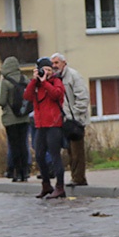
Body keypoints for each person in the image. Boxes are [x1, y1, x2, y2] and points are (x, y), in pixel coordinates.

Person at [24, 57, 66, 199]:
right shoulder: (36, 85)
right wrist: (34, 80)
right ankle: (46, 185)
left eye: (49, 70)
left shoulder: (56, 81)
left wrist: (45, 83)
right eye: (44, 70)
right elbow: (27, 96)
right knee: (40, 155)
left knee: (55, 156)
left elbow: (57, 94)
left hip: (54, 125)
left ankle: (60, 187)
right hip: (40, 125)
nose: (47, 72)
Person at [50, 53, 91, 186]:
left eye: (57, 63)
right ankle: (76, 177)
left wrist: (76, 116)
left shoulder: (73, 76)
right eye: (53, 63)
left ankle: (79, 178)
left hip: (76, 120)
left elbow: (83, 97)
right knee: (70, 151)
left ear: (64, 63)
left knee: (77, 150)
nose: (54, 66)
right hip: (65, 120)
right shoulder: (56, 78)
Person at [0, 56, 31, 182]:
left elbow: (1, 101)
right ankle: (25, 172)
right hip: (24, 116)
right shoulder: (25, 79)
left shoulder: (6, 82)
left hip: (11, 119)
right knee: (23, 144)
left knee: (14, 145)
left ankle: (16, 173)